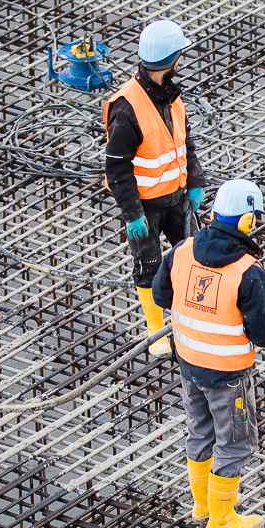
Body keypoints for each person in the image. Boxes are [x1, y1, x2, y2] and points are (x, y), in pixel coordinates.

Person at [153, 178, 265, 528]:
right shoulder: (247, 272)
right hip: (227, 375)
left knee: (200, 430)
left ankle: (202, 505)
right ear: (247, 222)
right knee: (235, 442)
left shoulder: (183, 249)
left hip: (189, 364)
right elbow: (263, 334)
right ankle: (222, 519)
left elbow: (162, 296)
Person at [105, 19, 209, 357]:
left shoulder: (170, 97)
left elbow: (184, 142)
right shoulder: (128, 106)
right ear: (172, 59)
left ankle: (191, 318)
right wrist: (132, 213)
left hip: (177, 197)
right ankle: (156, 331)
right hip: (145, 206)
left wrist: (195, 182)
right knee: (148, 266)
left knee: (194, 255)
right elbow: (116, 166)